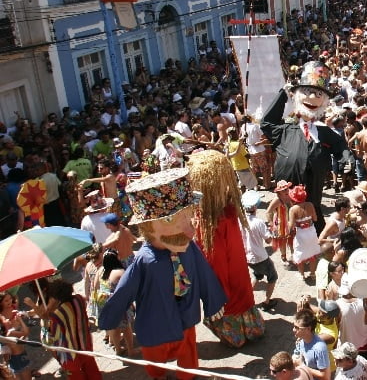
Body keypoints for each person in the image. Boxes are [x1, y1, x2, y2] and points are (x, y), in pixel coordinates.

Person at [98, 168, 227, 380]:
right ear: (149, 226)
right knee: (155, 360)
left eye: (187, 216)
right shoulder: (144, 260)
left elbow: (204, 273)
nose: (189, 231)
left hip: (185, 316)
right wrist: (111, 316)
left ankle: (187, 376)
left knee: (188, 356)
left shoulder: (189, 247)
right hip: (156, 322)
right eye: (170, 221)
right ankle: (158, 375)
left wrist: (214, 301)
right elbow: (125, 289)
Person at [261, 61, 354, 233]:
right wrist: (283, 94)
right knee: (287, 227)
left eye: (318, 94)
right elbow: (266, 122)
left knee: (312, 226)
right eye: (308, 92)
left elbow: (340, 146)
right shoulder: (285, 130)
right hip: (287, 195)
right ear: (297, 96)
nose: (312, 98)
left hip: (313, 195)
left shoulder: (324, 132)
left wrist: (347, 158)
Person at [187, 150, 266, 348]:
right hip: (239, 283)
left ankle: (235, 334)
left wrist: (214, 296)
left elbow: (216, 263)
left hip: (226, 292)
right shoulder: (230, 209)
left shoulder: (210, 222)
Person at [46, 278, 102, 380]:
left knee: (76, 375)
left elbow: (54, 335)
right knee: (91, 369)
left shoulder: (58, 313)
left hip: (70, 350)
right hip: (85, 342)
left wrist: (48, 317)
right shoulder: (79, 299)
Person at [240, 190, 279, 310]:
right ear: (256, 206)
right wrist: (273, 231)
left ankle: (247, 298)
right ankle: (267, 302)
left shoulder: (240, 220)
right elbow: (268, 240)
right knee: (273, 277)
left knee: (257, 275)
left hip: (247, 256)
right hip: (260, 256)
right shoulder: (258, 222)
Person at [288, 185, 322, 280]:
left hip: (301, 234)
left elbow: (291, 226)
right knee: (312, 253)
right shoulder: (310, 205)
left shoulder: (293, 209)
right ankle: (312, 274)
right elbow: (315, 218)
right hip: (311, 231)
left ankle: (302, 275)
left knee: (300, 254)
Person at [293, 308, 331, 380]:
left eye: (297, 327)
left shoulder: (320, 348)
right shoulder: (301, 340)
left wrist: (302, 366)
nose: (293, 330)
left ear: (308, 329)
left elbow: (326, 376)